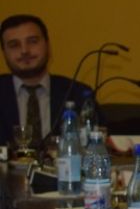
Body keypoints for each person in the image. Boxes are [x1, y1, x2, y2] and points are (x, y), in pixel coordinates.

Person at [0, 13, 95, 145]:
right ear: (4, 52)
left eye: (32, 41)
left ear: (47, 45)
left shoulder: (78, 93)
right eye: (14, 45)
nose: (24, 51)